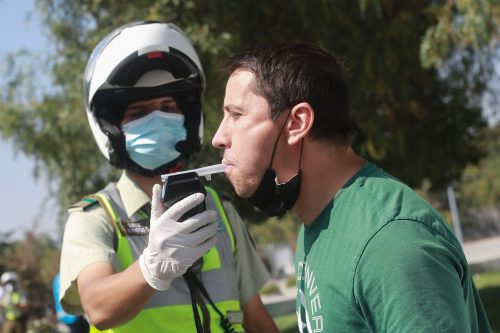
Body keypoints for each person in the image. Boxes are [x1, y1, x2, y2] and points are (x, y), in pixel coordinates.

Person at [211, 41, 492, 332]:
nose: (218, 137)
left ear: (296, 123)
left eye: (236, 114)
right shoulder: (319, 222)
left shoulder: (392, 243)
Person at [59, 21, 278, 333]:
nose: (157, 118)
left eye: (167, 106)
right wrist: (152, 268)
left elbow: (256, 318)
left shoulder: (222, 211)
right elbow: (97, 308)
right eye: (139, 112)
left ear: (189, 119)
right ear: (112, 129)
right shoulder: (95, 218)